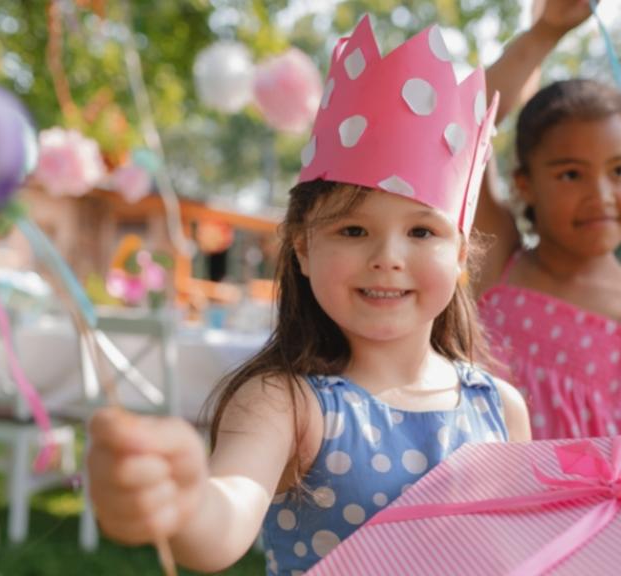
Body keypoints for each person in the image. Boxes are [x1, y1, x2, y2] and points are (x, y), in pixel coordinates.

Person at [86, 16, 529, 575]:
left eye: (422, 231)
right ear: (301, 248)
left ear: (460, 255)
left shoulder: (501, 408)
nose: (388, 257)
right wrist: (183, 501)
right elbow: (224, 518)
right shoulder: (287, 404)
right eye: (351, 229)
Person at [473, 4, 621, 439]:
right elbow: (466, 118)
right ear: (525, 184)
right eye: (571, 174)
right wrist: (547, 32)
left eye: (620, 170)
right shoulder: (497, 261)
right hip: (483, 507)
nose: (601, 195)